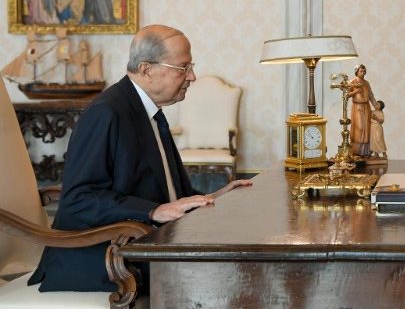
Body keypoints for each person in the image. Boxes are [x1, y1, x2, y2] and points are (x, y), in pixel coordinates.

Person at [28, 25, 252, 292]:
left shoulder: (150, 112)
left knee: (236, 255)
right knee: (224, 275)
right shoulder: (105, 113)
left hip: (142, 242)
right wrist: (151, 211)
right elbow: (78, 199)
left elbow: (170, 193)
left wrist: (215, 197)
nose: (192, 76)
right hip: (100, 256)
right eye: (183, 68)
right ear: (147, 70)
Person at [347, 64, 377, 157]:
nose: (363, 73)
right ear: (357, 71)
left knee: (366, 128)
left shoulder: (366, 83)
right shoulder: (353, 81)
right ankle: (356, 151)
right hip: (357, 107)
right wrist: (356, 91)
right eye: (361, 71)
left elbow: (371, 95)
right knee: (359, 128)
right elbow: (346, 94)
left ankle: (365, 152)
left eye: (364, 71)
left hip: (366, 107)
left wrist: (376, 106)